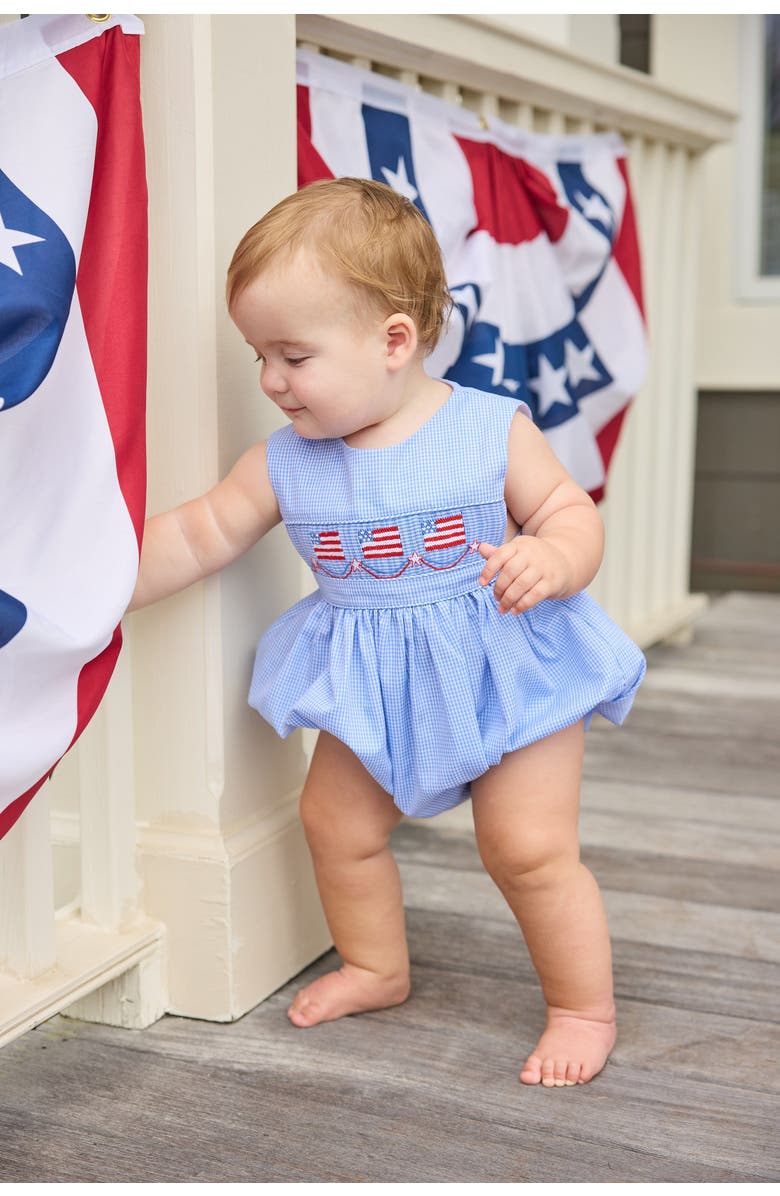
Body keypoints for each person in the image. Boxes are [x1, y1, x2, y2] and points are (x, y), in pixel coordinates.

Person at [130, 177, 645, 1089]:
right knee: (334, 822)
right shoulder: (284, 462)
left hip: (507, 666)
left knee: (526, 848)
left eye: (294, 355)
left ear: (394, 340)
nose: (270, 380)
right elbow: (200, 533)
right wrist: (94, 579)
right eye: (258, 355)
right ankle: (376, 965)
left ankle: (581, 1005)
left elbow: (570, 509)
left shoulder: (487, 428)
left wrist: (558, 558)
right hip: (376, 678)